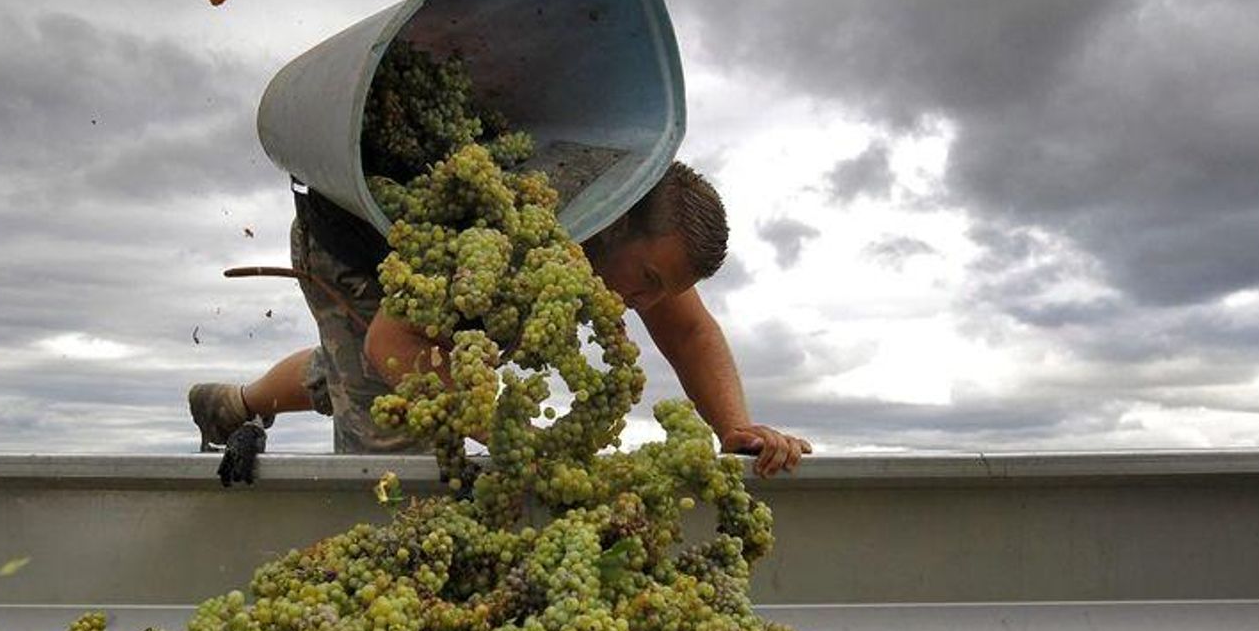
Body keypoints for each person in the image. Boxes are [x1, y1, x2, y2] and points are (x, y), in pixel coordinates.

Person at [189, 162, 811, 477]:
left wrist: (734, 427)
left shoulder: (634, 234)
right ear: (615, 225)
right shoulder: (517, 239)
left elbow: (689, 329)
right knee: (396, 408)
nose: (646, 304)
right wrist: (523, 450)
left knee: (356, 369)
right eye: (648, 282)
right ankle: (254, 402)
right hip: (353, 250)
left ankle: (234, 403)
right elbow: (391, 340)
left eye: (663, 290)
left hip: (439, 284)